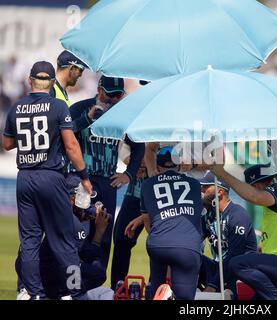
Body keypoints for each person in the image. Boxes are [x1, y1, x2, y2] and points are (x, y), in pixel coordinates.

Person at [2, 61, 92, 299]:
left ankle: (33, 293)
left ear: (30, 81)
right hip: (51, 177)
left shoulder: (17, 107)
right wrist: (84, 177)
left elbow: (8, 144)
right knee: (64, 240)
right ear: (52, 83)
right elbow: (71, 145)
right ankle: (73, 291)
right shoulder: (58, 106)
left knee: (29, 242)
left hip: (25, 177)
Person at [207, 163, 277, 300]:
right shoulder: (275, 204)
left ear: (258, 185)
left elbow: (254, 197)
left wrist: (222, 174)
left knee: (238, 263)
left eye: (250, 187)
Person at [69, 75, 145, 268]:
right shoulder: (80, 108)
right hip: (82, 181)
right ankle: (73, 280)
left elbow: (138, 146)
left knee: (104, 235)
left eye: (118, 95)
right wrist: (86, 119)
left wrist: (128, 173)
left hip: (108, 183)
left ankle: (97, 277)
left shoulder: (123, 116)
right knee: (80, 231)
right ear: (100, 90)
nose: (113, 100)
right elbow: (65, 136)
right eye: (110, 95)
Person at [16, 175, 109, 299]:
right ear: (71, 198)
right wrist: (99, 232)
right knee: (97, 274)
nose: (88, 203)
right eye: (84, 197)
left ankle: (32, 290)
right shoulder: (71, 220)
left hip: (31, 269)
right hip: (46, 268)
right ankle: (66, 294)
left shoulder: (52, 209)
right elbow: (85, 256)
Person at [141, 147, 203, 300]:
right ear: (180, 164)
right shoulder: (195, 184)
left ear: (158, 166)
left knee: (157, 289)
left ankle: (161, 293)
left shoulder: (147, 185)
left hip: (158, 243)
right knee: (185, 298)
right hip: (187, 246)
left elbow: (147, 221)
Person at [198, 171, 257, 297]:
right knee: (190, 256)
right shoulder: (208, 215)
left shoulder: (238, 216)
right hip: (218, 268)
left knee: (233, 263)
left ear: (220, 192)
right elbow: (195, 241)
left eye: (206, 186)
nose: (202, 189)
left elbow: (233, 256)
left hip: (239, 273)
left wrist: (212, 286)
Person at [110, 158, 147, 289]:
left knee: (160, 244)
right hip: (135, 193)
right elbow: (125, 157)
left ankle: (157, 288)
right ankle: (117, 288)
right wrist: (137, 162)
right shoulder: (139, 138)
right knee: (121, 240)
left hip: (160, 193)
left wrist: (148, 162)